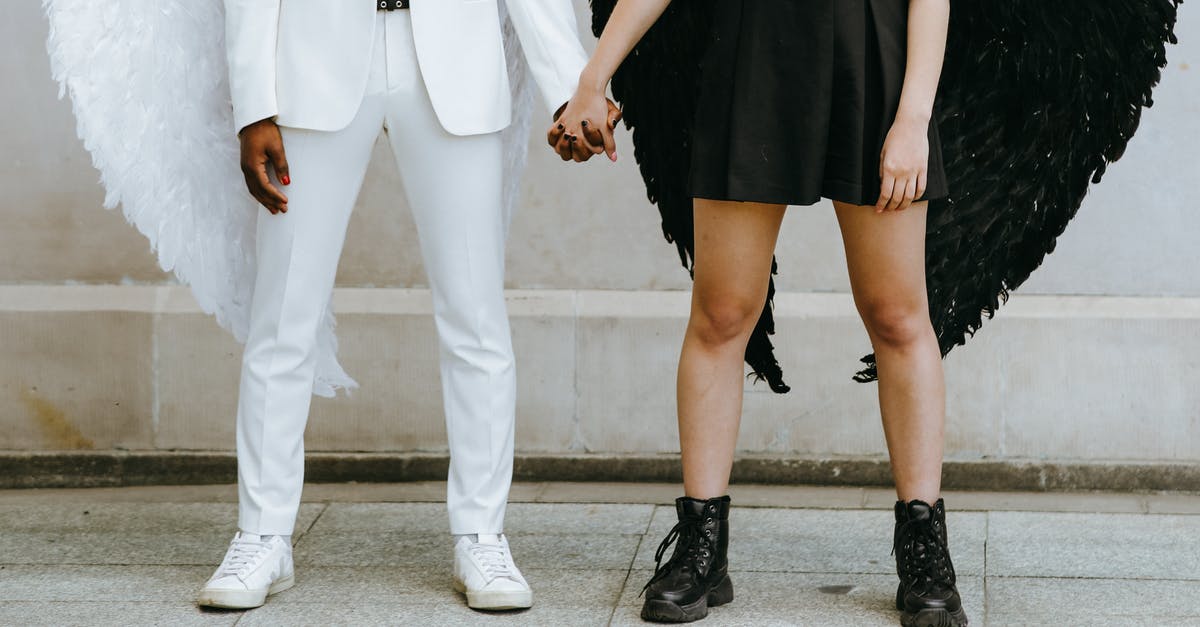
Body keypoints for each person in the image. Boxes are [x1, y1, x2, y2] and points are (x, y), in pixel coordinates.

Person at [552, 0, 1181, 624]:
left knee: (898, 317)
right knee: (721, 314)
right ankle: (700, 546)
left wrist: (912, 118)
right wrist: (591, 80)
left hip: (876, 62)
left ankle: (924, 548)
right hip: (751, 55)